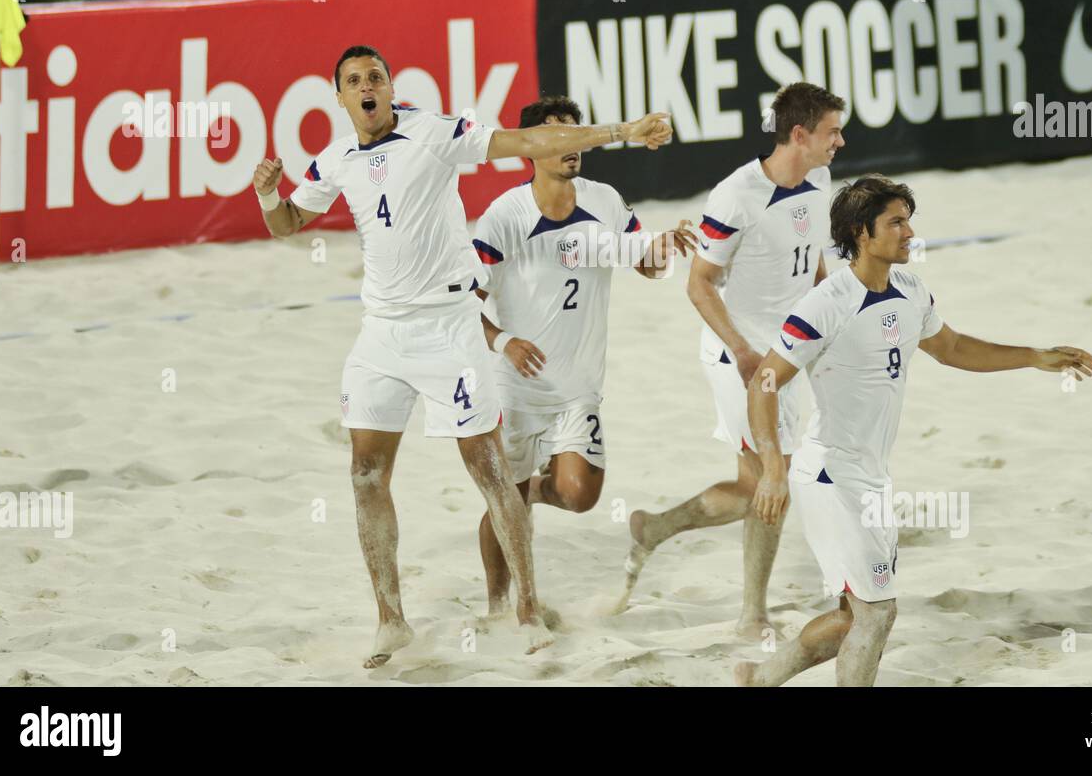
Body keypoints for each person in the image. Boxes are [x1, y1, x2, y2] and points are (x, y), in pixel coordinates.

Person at [251, 45, 673, 668]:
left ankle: (525, 608)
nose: (367, 87)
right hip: (381, 333)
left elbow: (524, 140)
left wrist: (623, 132)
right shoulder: (334, 159)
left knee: (493, 474)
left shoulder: (435, 132)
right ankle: (391, 620)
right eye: (353, 81)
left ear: (392, 86)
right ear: (338, 96)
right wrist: (266, 196)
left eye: (376, 77)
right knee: (366, 474)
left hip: (449, 329)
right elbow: (288, 222)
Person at [735, 175, 1092, 686]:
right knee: (878, 613)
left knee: (850, 616)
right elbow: (763, 383)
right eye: (896, 222)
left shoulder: (910, 289)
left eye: (909, 220)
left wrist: (1033, 357)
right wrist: (773, 466)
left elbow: (951, 349)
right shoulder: (827, 302)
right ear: (862, 232)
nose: (909, 233)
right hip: (829, 475)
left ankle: (759, 678)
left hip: (872, 477)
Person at [617, 83, 844, 636]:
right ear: (798, 134)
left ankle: (656, 527)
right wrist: (741, 352)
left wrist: (829, 321)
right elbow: (699, 286)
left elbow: (810, 259)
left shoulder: (818, 179)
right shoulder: (735, 196)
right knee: (774, 478)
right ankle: (752, 615)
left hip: (790, 348)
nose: (841, 141)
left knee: (755, 487)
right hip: (739, 354)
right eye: (832, 131)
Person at [471, 95, 698, 616]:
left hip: (578, 386)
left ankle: (531, 493)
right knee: (504, 499)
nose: (573, 143)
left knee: (578, 495)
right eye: (559, 134)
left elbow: (645, 263)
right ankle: (496, 605)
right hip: (514, 386)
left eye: (578, 131)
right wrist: (505, 341)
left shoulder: (605, 200)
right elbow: (465, 303)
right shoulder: (504, 216)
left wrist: (665, 248)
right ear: (533, 148)